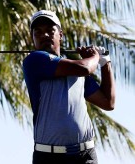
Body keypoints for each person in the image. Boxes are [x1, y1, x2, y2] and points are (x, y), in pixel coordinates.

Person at [23, 10, 115, 164]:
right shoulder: (34, 61)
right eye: (37, 32)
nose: (44, 35)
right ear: (33, 38)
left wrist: (105, 63)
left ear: (61, 34)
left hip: (85, 156)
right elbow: (85, 68)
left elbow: (108, 102)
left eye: (50, 30)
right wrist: (95, 57)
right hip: (48, 157)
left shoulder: (75, 68)